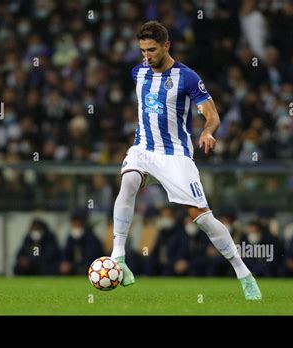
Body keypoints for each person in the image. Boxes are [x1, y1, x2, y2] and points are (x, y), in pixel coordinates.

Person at [110, 21, 261, 300]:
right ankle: (118, 257)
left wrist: (207, 131)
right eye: (143, 50)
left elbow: (212, 115)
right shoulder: (138, 72)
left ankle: (243, 273)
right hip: (143, 149)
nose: (147, 56)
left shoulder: (187, 77)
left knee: (202, 219)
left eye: (152, 50)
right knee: (128, 182)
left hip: (175, 156)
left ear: (166, 45)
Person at [59, 209, 104, 275]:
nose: (75, 226)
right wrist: (65, 263)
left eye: (78, 223)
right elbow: (66, 254)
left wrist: (72, 265)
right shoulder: (71, 238)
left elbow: (90, 259)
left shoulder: (91, 238)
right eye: (74, 223)